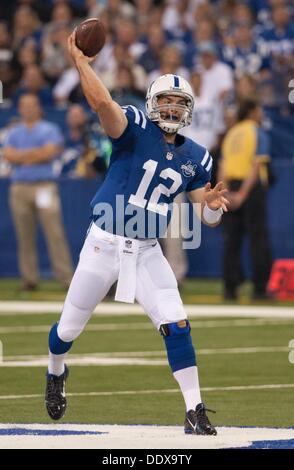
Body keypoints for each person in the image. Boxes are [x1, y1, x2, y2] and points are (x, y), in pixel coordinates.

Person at [45, 31, 229, 436]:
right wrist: (82, 63)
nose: (172, 107)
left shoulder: (196, 155)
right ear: (152, 102)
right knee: (67, 330)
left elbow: (207, 212)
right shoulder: (135, 127)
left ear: (191, 109)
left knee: (177, 323)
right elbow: (101, 104)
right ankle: (56, 371)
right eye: (166, 100)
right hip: (103, 244)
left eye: (180, 102)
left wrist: (212, 208)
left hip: (147, 250)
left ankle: (194, 409)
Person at [3, 93, 73, 290]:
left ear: (38, 108)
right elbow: (8, 155)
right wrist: (36, 154)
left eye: (31, 105)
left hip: (44, 185)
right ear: (20, 109)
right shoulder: (14, 131)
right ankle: (29, 279)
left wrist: (22, 157)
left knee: (54, 232)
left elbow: (50, 152)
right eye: (24, 106)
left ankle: (66, 278)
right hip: (19, 187)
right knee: (24, 234)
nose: (28, 109)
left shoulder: (49, 129)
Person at [219, 98, 273, 300]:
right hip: (251, 189)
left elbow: (223, 167)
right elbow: (256, 166)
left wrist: (224, 193)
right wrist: (242, 194)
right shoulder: (257, 132)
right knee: (258, 239)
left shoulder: (231, 133)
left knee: (231, 241)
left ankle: (230, 288)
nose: (261, 114)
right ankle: (260, 288)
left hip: (230, 187)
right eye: (259, 109)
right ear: (252, 111)